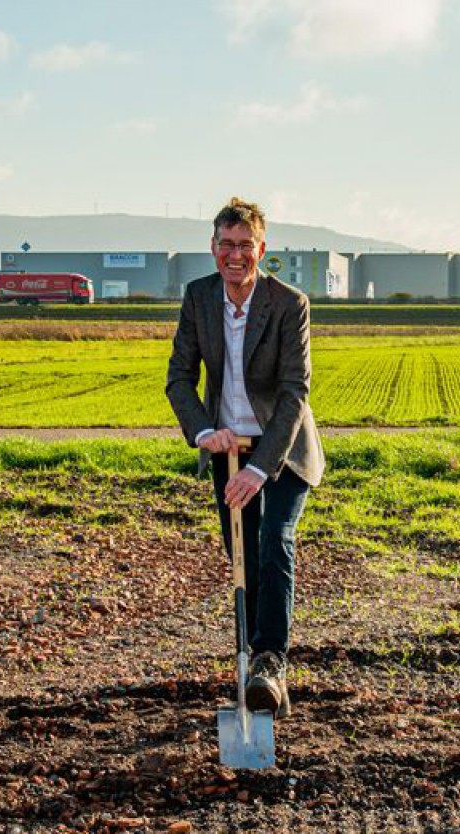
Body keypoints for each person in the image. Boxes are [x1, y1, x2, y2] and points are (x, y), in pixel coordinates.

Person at [166, 197, 325, 717]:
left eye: (245, 246)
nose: (235, 255)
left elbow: (293, 391)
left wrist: (261, 468)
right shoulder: (199, 298)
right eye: (226, 245)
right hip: (228, 449)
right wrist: (204, 431)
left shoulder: (288, 303)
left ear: (261, 249)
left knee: (273, 540)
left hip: (282, 450)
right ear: (214, 249)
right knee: (242, 557)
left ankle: (270, 663)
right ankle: (252, 662)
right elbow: (180, 379)